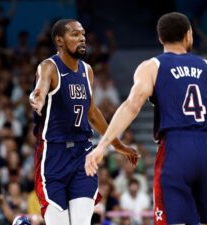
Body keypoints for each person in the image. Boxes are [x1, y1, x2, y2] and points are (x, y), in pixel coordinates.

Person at [85, 12, 207, 225]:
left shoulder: (152, 67)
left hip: (177, 146)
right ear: (188, 35)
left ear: (160, 39)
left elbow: (132, 105)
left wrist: (103, 145)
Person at [29, 19, 139, 225]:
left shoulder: (87, 70)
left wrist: (118, 145)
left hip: (83, 154)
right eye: (75, 34)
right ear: (59, 40)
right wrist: (38, 96)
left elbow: (93, 112)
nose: (82, 39)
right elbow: (41, 87)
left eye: (83, 35)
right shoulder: (49, 67)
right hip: (54, 156)